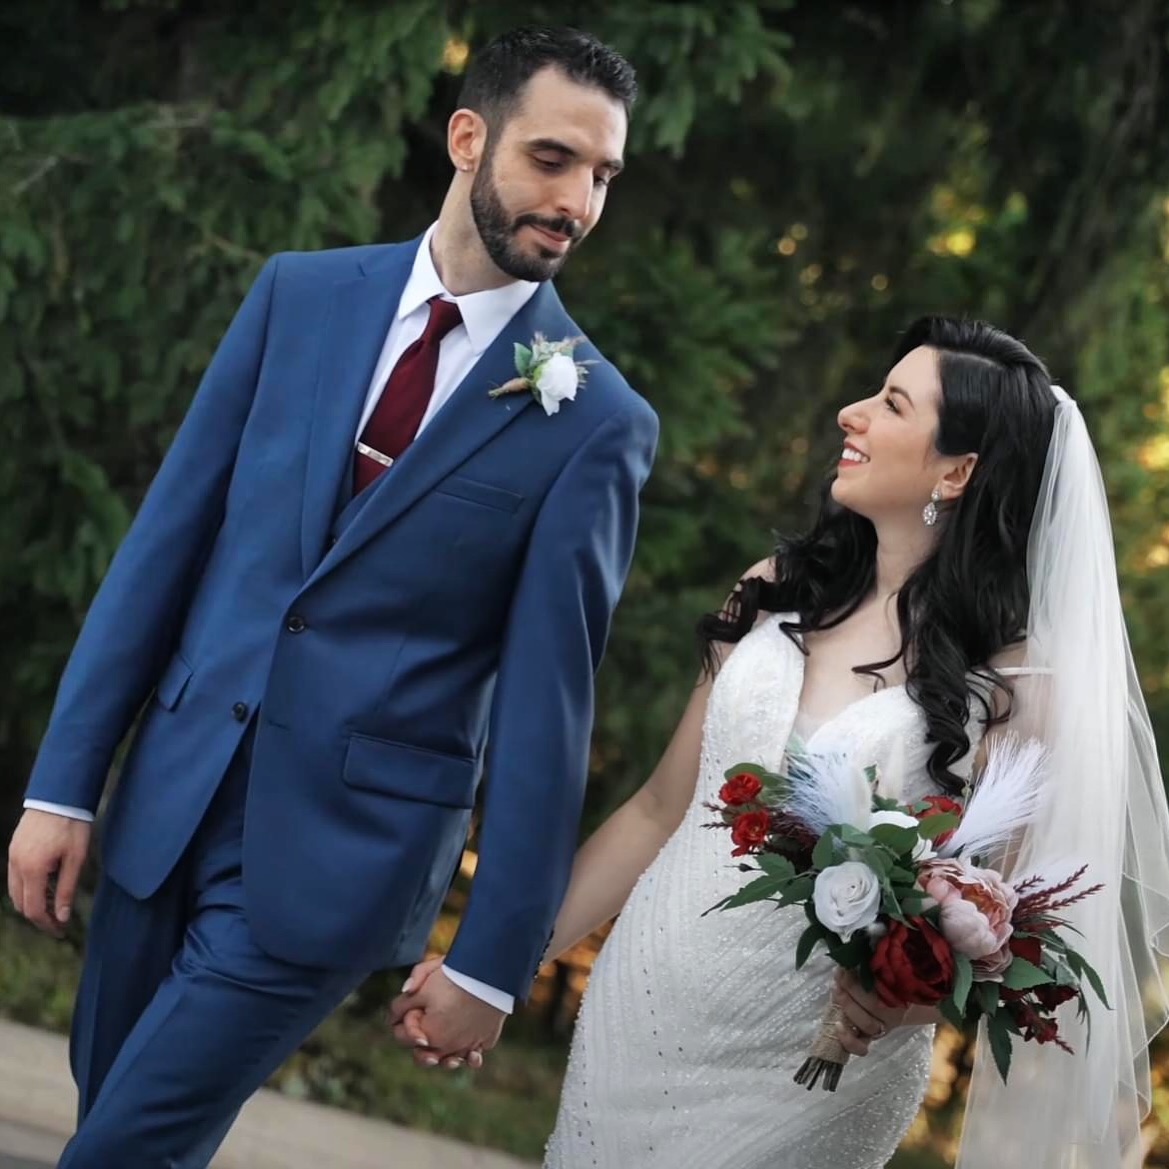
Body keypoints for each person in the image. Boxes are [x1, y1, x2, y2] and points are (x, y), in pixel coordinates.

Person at [6, 25, 657, 1167]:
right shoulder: (295, 298)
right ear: (468, 137)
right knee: (112, 1115)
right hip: (167, 802)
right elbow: (166, 546)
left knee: (117, 1151)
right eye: (553, 160)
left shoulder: (598, 420)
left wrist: (491, 957)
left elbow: (550, 715)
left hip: (340, 858)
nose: (579, 202)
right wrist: (64, 783)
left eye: (602, 175)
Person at [403, 315, 1169, 1167]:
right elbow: (660, 809)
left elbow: (1003, 929)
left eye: (889, 403)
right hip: (644, 1002)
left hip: (814, 1063)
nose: (850, 412)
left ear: (956, 470)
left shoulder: (1017, 684)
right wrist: (491, 972)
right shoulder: (774, 592)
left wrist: (905, 997)